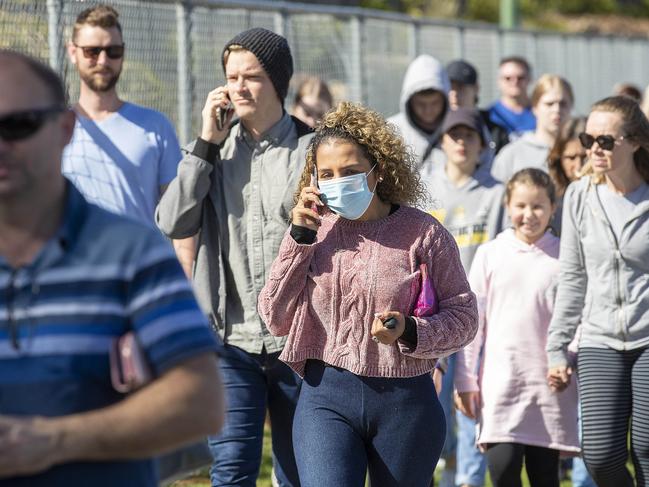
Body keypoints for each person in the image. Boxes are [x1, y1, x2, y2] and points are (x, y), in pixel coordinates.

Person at [0, 49, 224, 487]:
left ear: (65, 129)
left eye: (18, 125)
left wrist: (55, 440)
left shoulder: (131, 253)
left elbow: (202, 401)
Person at [258, 101, 478, 486]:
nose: (337, 181)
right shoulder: (313, 231)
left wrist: (410, 330)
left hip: (405, 400)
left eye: (350, 171)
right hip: (324, 394)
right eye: (326, 174)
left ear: (377, 172)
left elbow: (464, 317)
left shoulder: (424, 233)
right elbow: (275, 317)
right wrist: (298, 240)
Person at [156, 27, 313, 487]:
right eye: (231, 76)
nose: (238, 87)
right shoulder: (211, 151)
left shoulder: (311, 149)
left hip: (298, 343)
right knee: (231, 472)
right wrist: (205, 143)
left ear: (278, 82)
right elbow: (172, 221)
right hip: (230, 342)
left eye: (252, 76)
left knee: (298, 472)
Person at [547, 95, 649, 486]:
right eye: (589, 139)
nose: (593, 149)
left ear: (635, 141)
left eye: (606, 141)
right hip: (599, 338)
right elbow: (572, 275)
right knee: (600, 454)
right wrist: (557, 347)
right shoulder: (580, 196)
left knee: (646, 446)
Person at [455, 168, 580, 487]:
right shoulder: (490, 254)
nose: (529, 214)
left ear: (553, 208)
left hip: (549, 387)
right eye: (521, 205)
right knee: (503, 469)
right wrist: (465, 379)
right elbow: (473, 322)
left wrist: (567, 359)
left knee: (544, 475)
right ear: (508, 205)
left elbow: (577, 317)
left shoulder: (566, 256)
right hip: (501, 385)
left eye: (538, 206)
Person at [61, 5, 195, 278]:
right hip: (71, 278)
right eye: (91, 51)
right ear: (72, 52)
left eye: (113, 51)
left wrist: (185, 279)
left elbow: (180, 217)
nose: (102, 61)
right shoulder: (52, 129)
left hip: (139, 277)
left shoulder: (155, 126)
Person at [423, 108, 504, 487]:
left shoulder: (496, 192)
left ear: (481, 143)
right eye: (453, 134)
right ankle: (445, 459)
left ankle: (469, 477)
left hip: (480, 316)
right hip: (433, 316)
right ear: (442, 141)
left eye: (469, 135)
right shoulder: (424, 187)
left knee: (473, 401)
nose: (461, 142)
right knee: (436, 402)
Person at [491, 74, 573, 184]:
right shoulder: (513, 154)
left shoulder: (580, 151)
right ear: (535, 107)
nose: (557, 110)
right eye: (549, 104)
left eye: (563, 104)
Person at [388, 54, 450, 165]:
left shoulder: (460, 129)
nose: (428, 110)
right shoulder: (391, 132)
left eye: (435, 103)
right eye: (421, 104)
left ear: (445, 100)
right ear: (409, 102)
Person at [446, 59, 509, 157]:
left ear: (476, 88)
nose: (454, 94)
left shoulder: (495, 132)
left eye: (460, 87)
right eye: (449, 87)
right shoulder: (436, 127)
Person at [546, 117, 587, 234]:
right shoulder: (549, 198)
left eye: (585, 157)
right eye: (571, 158)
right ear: (559, 159)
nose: (579, 166)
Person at [487, 57, 536, 140]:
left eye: (520, 78)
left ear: (530, 79)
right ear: (499, 81)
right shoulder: (490, 116)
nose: (514, 82)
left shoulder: (541, 112)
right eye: (508, 78)